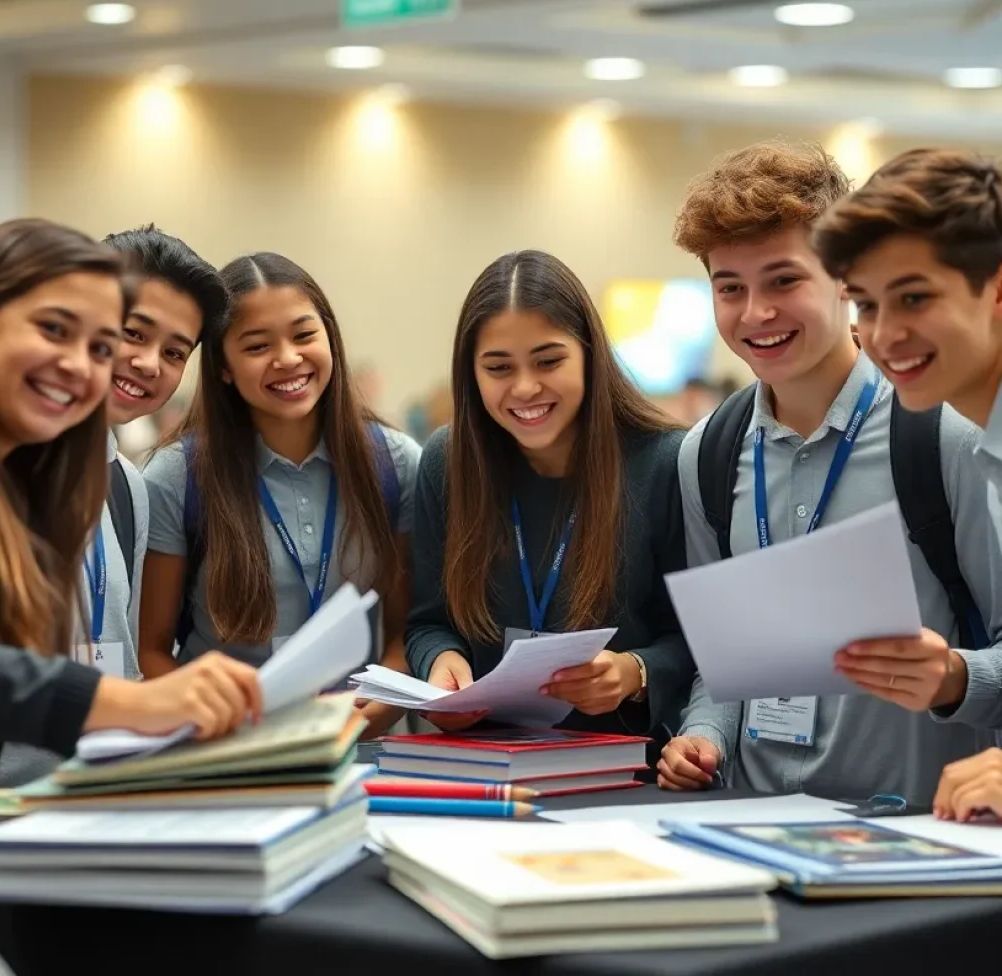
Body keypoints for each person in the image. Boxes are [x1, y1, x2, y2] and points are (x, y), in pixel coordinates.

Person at [659, 141, 999, 807]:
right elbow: (723, 664)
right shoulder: (708, 452)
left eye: (784, 281)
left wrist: (958, 677)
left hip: (916, 844)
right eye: (730, 288)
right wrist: (703, 735)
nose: (755, 313)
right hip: (751, 828)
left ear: (843, 282)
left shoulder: (944, 435)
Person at [0, 218, 262, 787]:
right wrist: (121, 704)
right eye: (55, 329)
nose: (145, 363)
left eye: (99, 344)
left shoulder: (123, 486)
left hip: (76, 797)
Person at [405, 249, 693, 742]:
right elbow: (428, 621)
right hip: (483, 764)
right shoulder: (447, 463)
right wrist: (442, 663)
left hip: (622, 770)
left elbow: (697, 639)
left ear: (589, 353)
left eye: (549, 360)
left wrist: (634, 673)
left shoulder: (666, 460)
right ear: (471, 374)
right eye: (498, 368)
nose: (525, 388)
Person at [140, 253, 420, 737]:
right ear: (223, 367)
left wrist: (368, 713)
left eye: (304, 335)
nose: (288, 358)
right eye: (257, 345)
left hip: (363, 748)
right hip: (231, 753)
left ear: (330, 338)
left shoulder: (395, 463)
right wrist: (219, 722)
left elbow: (405, 633)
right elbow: (151, 649)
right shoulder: (177, 476)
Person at [811, 148, 1002, 819]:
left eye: (915, 297)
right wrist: (956, 675)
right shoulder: (982, 452)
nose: (884, 335)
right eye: (865, 303)